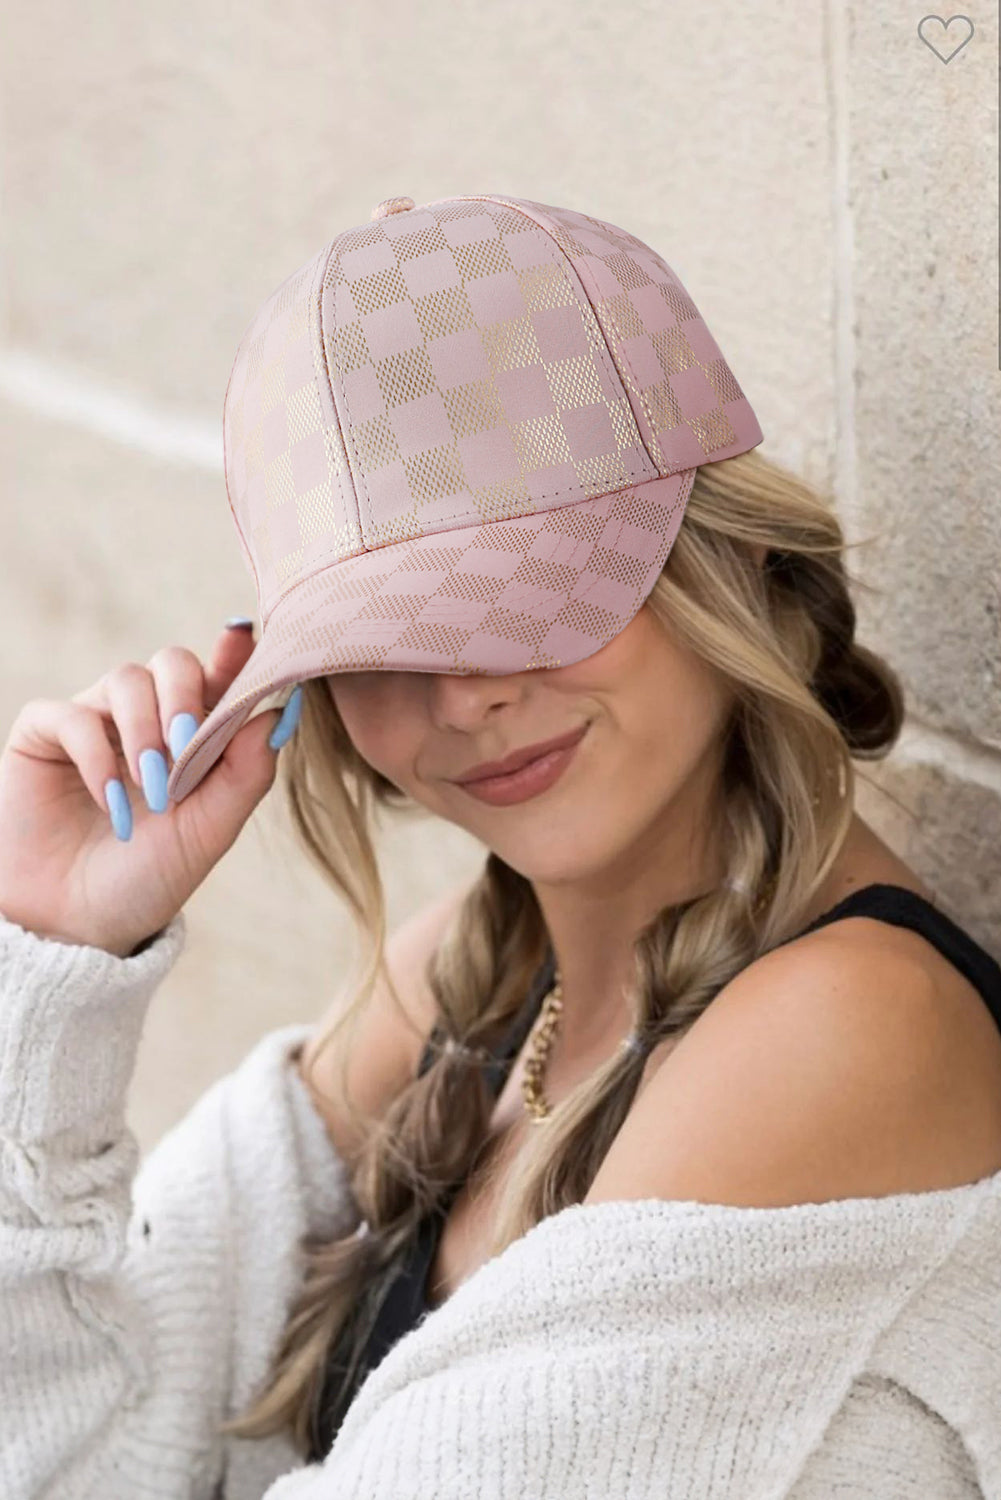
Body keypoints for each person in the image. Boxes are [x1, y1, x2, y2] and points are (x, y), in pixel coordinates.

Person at [2, 192, 1001, 1500]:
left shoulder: (842, 1028)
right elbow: (74, 1463)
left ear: (728, 555)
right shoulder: (468, 988)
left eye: (531, 595)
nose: (464, 696)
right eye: (383, 643)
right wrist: (58, 948)